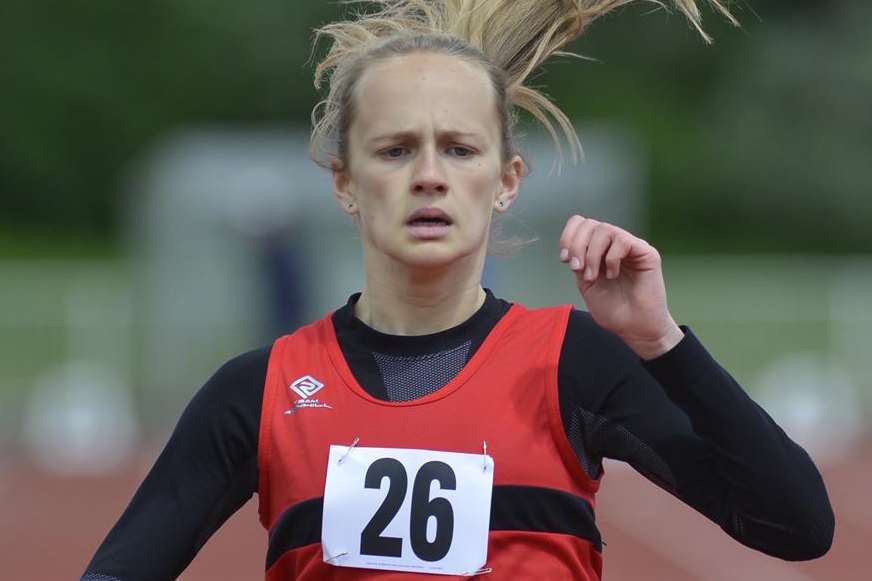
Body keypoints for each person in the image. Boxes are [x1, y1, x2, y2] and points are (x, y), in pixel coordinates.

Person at [82, 1, 834, 579]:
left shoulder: (574, 362)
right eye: (396, 148)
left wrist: (661, 341)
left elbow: (796, 526)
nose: (431, 174)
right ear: (345, 183)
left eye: (461, 147)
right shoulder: (258, 390)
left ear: (506, 181)